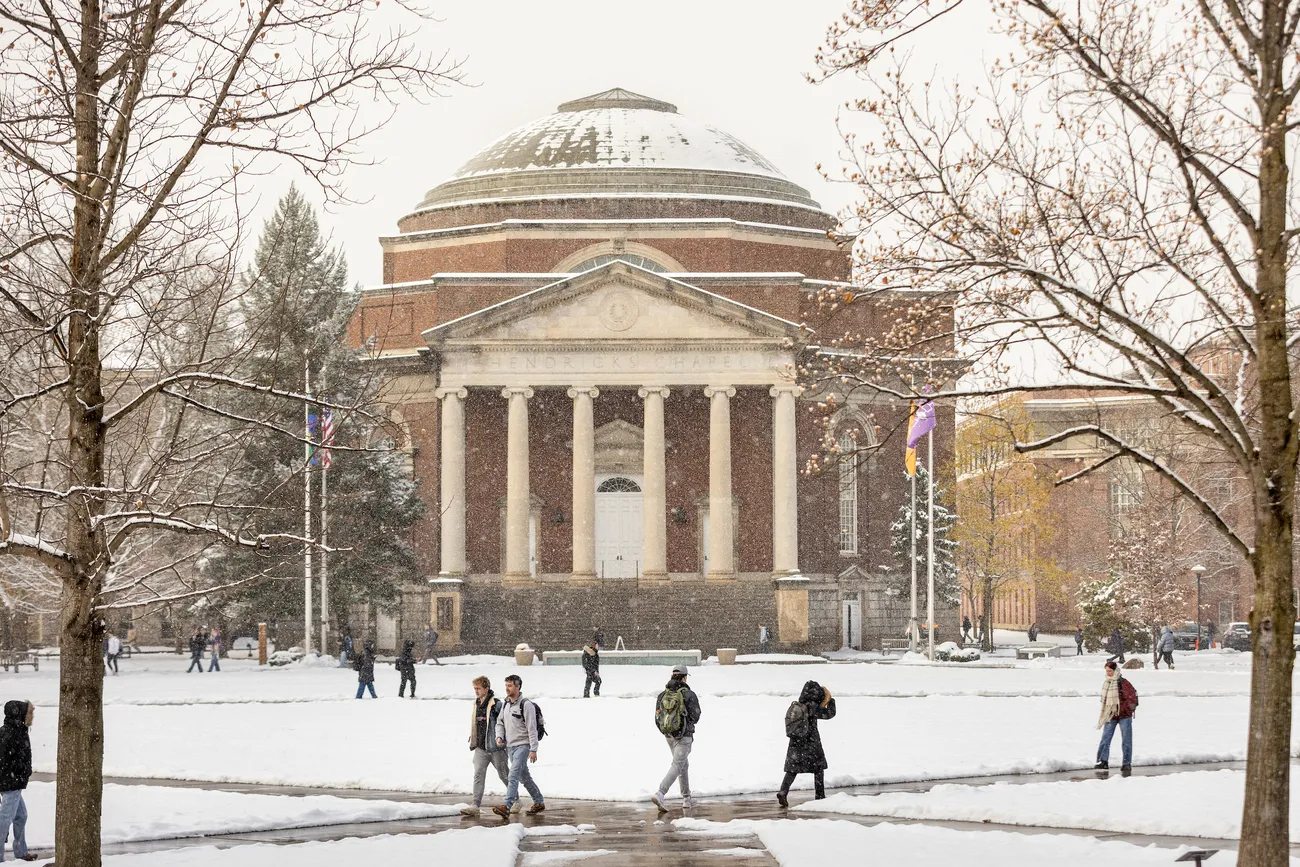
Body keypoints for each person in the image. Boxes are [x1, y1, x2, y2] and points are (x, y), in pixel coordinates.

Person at [777, 680, 837, 808]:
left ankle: (783, 791)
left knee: (792, 770)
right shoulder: (813, 707)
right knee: (818, 768)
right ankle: (820, 796)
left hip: (796, 742)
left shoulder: (798, 705)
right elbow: (830, 714)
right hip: (811, 743)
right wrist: (831, 701)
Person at [492, 674, 545, 818]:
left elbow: (531, 728)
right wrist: (499, 736)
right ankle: (539, 801)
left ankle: (507, 806)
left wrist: (533, 749)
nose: (507, 688)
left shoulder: (526, 705)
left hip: (523, 746)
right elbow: (500, 722)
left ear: (518, 686)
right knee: (524, 777)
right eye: (506, 685)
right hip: (510, 747)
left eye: (510, 686)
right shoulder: (506, 704)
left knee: (513, 774)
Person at [651, 663, 702, 813]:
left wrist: (667, 730)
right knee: (677, 765)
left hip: (669, 736)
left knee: (682, 765)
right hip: (684, 736)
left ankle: (687, 798)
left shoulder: (662, 694)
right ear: (685, 678)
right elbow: (696, 715)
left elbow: (657, 717)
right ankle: (660, 793)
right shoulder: (688, 694)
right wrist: (686, 726)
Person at [461, 676, 510, 817]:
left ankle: (516, 799)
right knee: (478, 775)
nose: (476, 691)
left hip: (496, 748)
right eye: (474, 688)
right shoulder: (476, 703)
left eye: (478, 688)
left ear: (486, 689)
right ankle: (475, 805)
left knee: (504, 775)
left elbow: (504, 723)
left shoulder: (496, 704)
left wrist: (502, 739)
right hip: (480, 747)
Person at [0, 700, 36, 862]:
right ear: (19, 714)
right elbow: (5, 760)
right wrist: (17, 775)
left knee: (21, 816)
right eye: (29, 713)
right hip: (10, 783)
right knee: (5, 819)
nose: (31, 716)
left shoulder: (18, 730)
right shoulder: (10, 733)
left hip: (15, 783)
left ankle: (21, 852)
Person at [1094, 659, 1138, 774]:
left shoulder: (1123, 682)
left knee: (1126, 740)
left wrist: (1123, 709)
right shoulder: (1107, 683)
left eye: (1110, 671)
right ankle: (1102, 761)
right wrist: (1111, 710)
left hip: (1124, 715)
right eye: (1107, 671)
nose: (1108, 673)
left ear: (1115, 670)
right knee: (1105, 738)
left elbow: (1132, 697)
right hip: (1111, 715)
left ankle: (1126, 763)